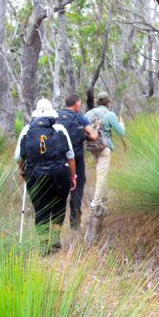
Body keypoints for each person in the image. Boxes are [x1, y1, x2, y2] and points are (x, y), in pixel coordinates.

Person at [14, 98, 77, 251]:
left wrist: (24, 172)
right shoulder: (60, 128)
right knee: (59, 206)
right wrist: (73, 176)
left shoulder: (26, 130)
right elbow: (70, 155)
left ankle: (43, 244)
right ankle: (55, 239)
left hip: (35, 175)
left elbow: (18, 157)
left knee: (41, 208)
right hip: (59, 174)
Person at [57, 93, 98, 230]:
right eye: (80, 102)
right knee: (77, 190)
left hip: (59, 160)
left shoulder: (55, 116)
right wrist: (86, 137)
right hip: (76, 159)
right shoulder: (80, 118)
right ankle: (75, 224)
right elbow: (93, 135)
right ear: (77, 104)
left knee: (59, 192)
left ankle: (56, 225)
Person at [84, 91, 126, 213]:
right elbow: (121, 132)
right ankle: (96, 202)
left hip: (91, 147)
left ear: (97, 102)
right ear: (108, 102)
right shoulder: (110, 115)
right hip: (104, 147)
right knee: (102, 174)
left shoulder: (88, 113)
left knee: (101, 172)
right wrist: (121, 123)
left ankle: (103, 198)